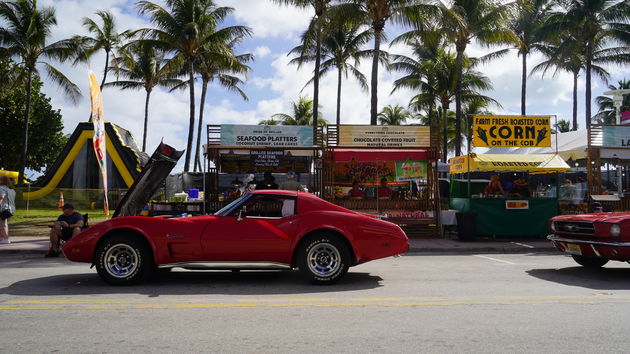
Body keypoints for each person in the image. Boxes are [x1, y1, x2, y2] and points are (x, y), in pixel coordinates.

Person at [0, 176, 16, 244]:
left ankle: (5, 239)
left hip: (3, 208)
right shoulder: (12, 190)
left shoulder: (1, 188)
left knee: (2, 225)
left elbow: (1, 198)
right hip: (10, 209)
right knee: (4, 223)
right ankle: (2, 238)